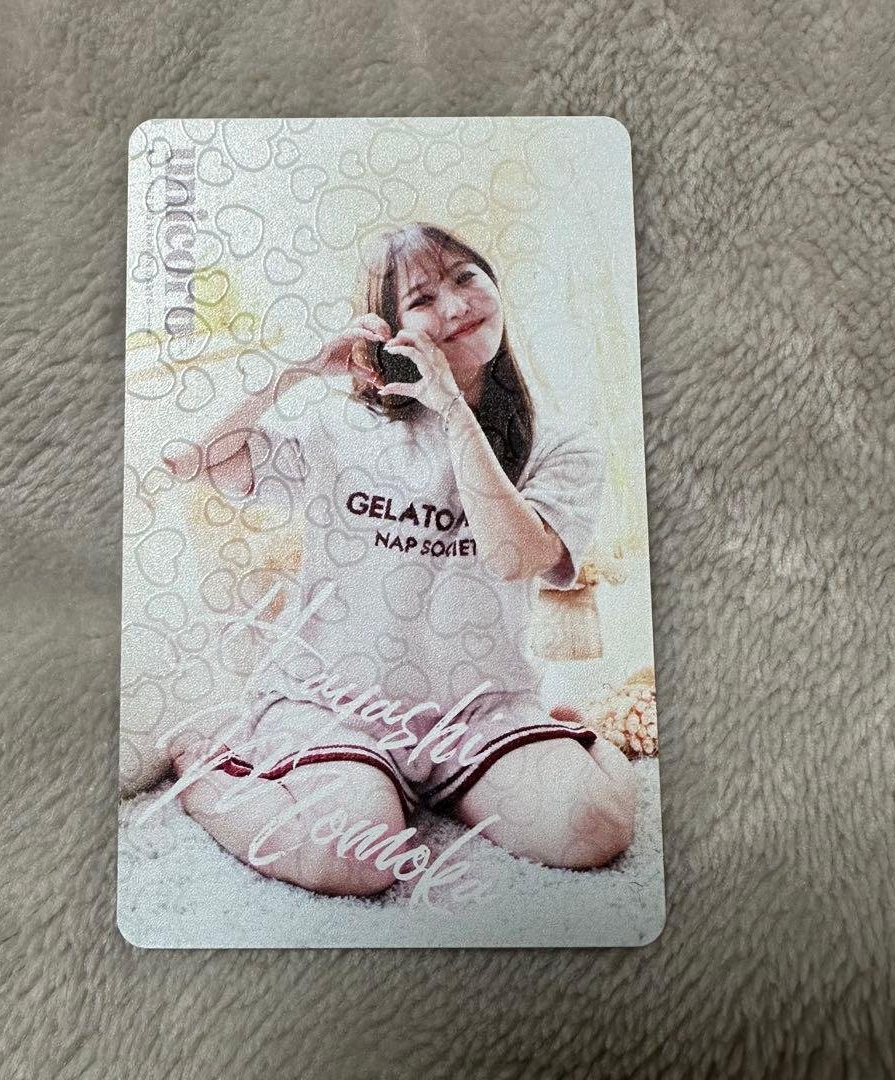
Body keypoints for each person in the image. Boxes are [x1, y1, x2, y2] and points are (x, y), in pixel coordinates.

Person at [164, 223, 636, 897]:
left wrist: (452, 408)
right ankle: (205, 775)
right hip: (334, 704)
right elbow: (195, 461)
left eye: (466, 278)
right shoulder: (343, 428)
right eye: (423, 298)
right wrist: (300, 370)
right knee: (352, 857)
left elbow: (513, 557)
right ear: (391, 329)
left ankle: (576, 736)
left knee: (594, 827)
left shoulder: (561, 443)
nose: (456, 305)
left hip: (481, 711)